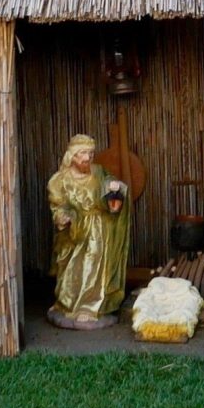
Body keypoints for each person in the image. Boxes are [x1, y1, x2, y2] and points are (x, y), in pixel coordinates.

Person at [46, 133, 130, 329]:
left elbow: (112, 189)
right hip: (74, 231)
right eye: (83, 153)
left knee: (94, 267)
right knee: (71, 269)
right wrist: (62, 216)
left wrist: (114, 188)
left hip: (99, 229)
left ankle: (89, 307)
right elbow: (58, 205)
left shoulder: (99, 172)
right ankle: (66, 304)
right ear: (72, 155)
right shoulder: (59, 180)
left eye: (91, 154)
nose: (87, 158)